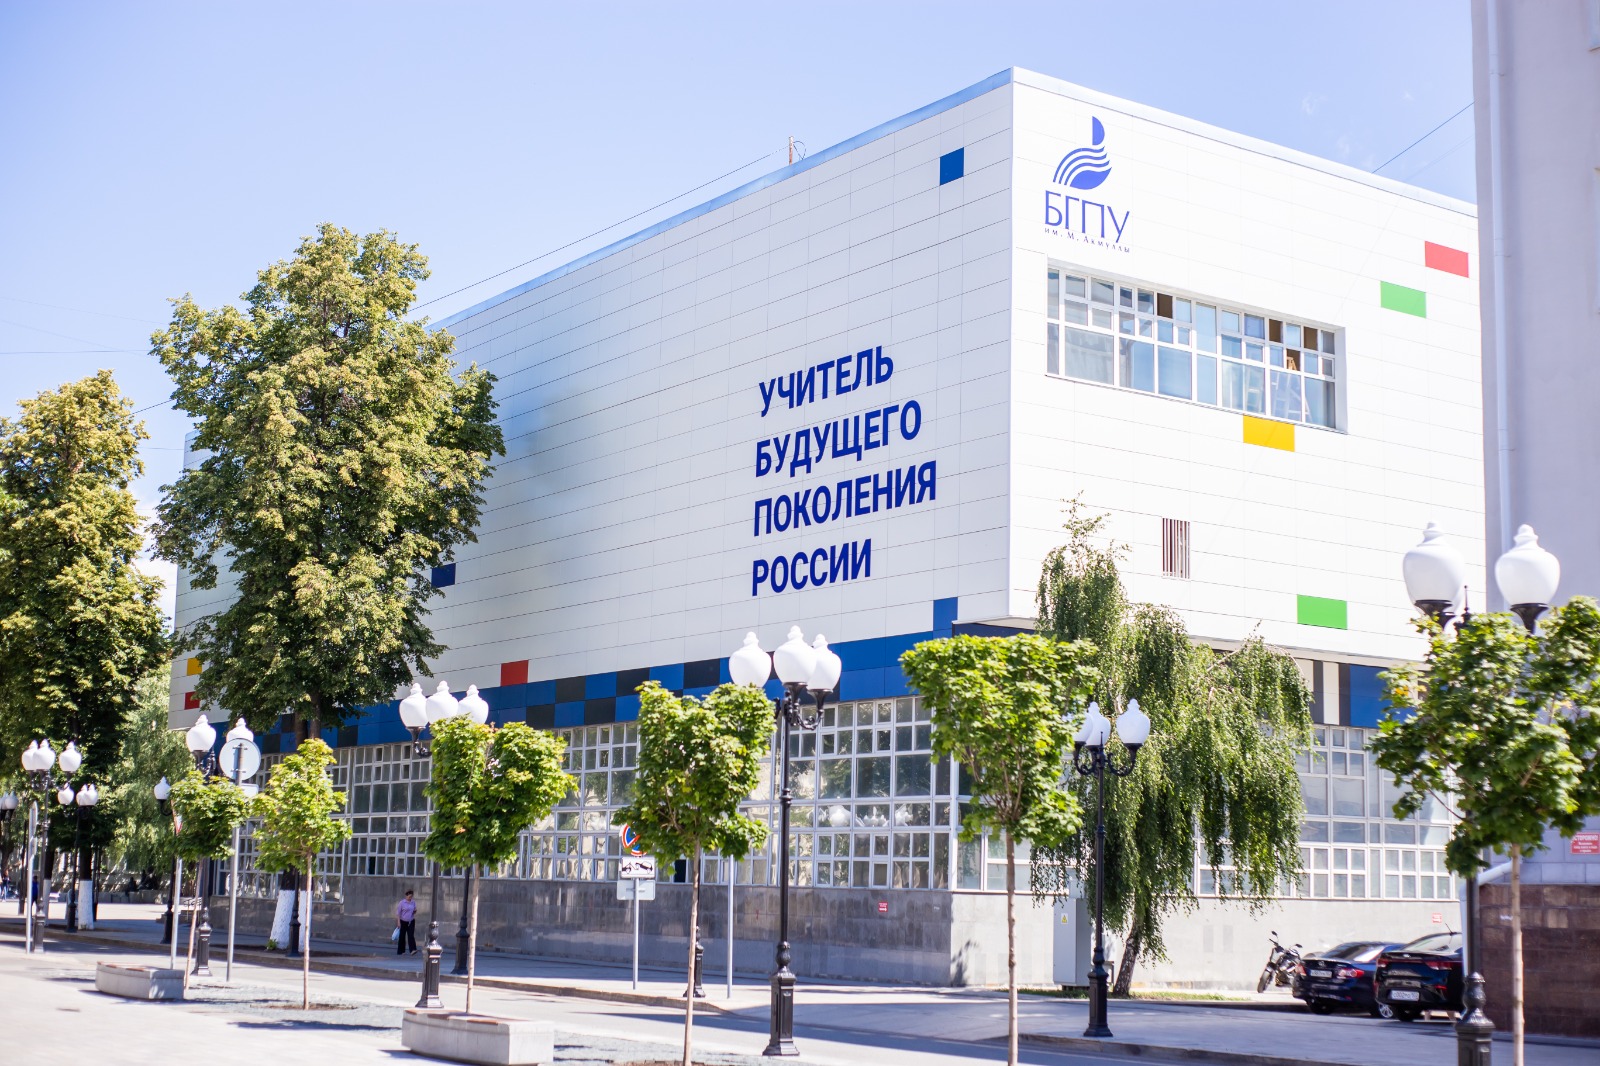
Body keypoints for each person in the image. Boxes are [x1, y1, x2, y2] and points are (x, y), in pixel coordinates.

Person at [395, 889, 417, 955]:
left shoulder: (413, 902)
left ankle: (413, 950)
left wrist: (415, 911)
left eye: (411, 897)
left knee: (411, 935)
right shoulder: (402, 903)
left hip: (411, 921)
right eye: (409, 897)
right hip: (403, 921)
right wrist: (398, 922)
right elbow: (398, 913)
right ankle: (401, 951)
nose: (410, 898)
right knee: (402, 936)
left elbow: (414, 910)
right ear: (406, 896)